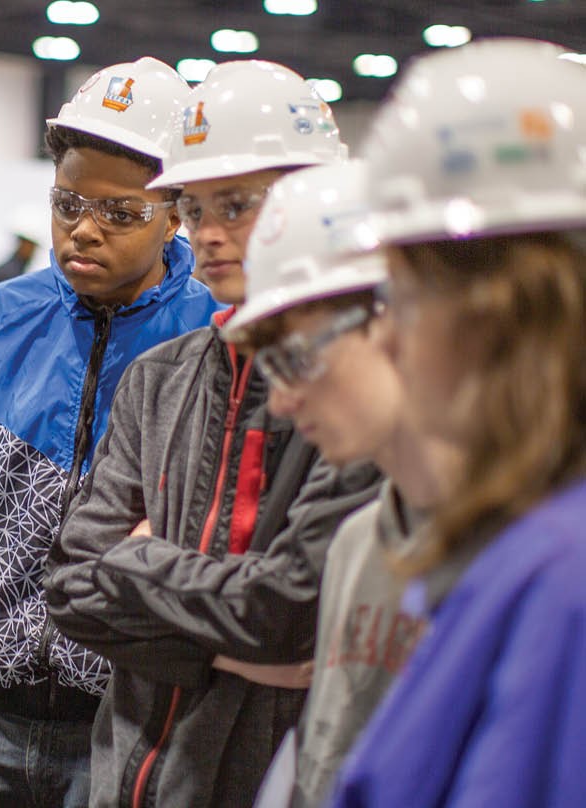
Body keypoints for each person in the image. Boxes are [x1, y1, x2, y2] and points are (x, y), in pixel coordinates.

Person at [43, 61, 380, 808]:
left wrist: (136, 562)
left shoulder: (361, 387)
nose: (210, 234)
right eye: (195, 209)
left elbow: (291, 612)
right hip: (126, 777)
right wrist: (226, 650)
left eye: (237, 205)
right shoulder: (161, 377)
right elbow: (69, 584)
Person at [0, 56, 220, 807]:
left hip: (138, 728)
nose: (85, 229)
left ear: (175, 212)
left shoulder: (214, 340)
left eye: (121, 213)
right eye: (69, 202)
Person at [322, 38, 586, 806]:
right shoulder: (520, 549)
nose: (386, 340)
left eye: (399, 300)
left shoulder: (561, 579)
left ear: (501, 313)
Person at [218, 159, 463, 807]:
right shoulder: (358, 545)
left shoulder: (532, 559)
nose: (281, 403)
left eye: (297, 358)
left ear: (400, 321)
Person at [0, 202, 50, 289]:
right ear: (23, 242)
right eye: (32, 246)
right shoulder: (8, 274)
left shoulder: (14, 270)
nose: (33, 251)